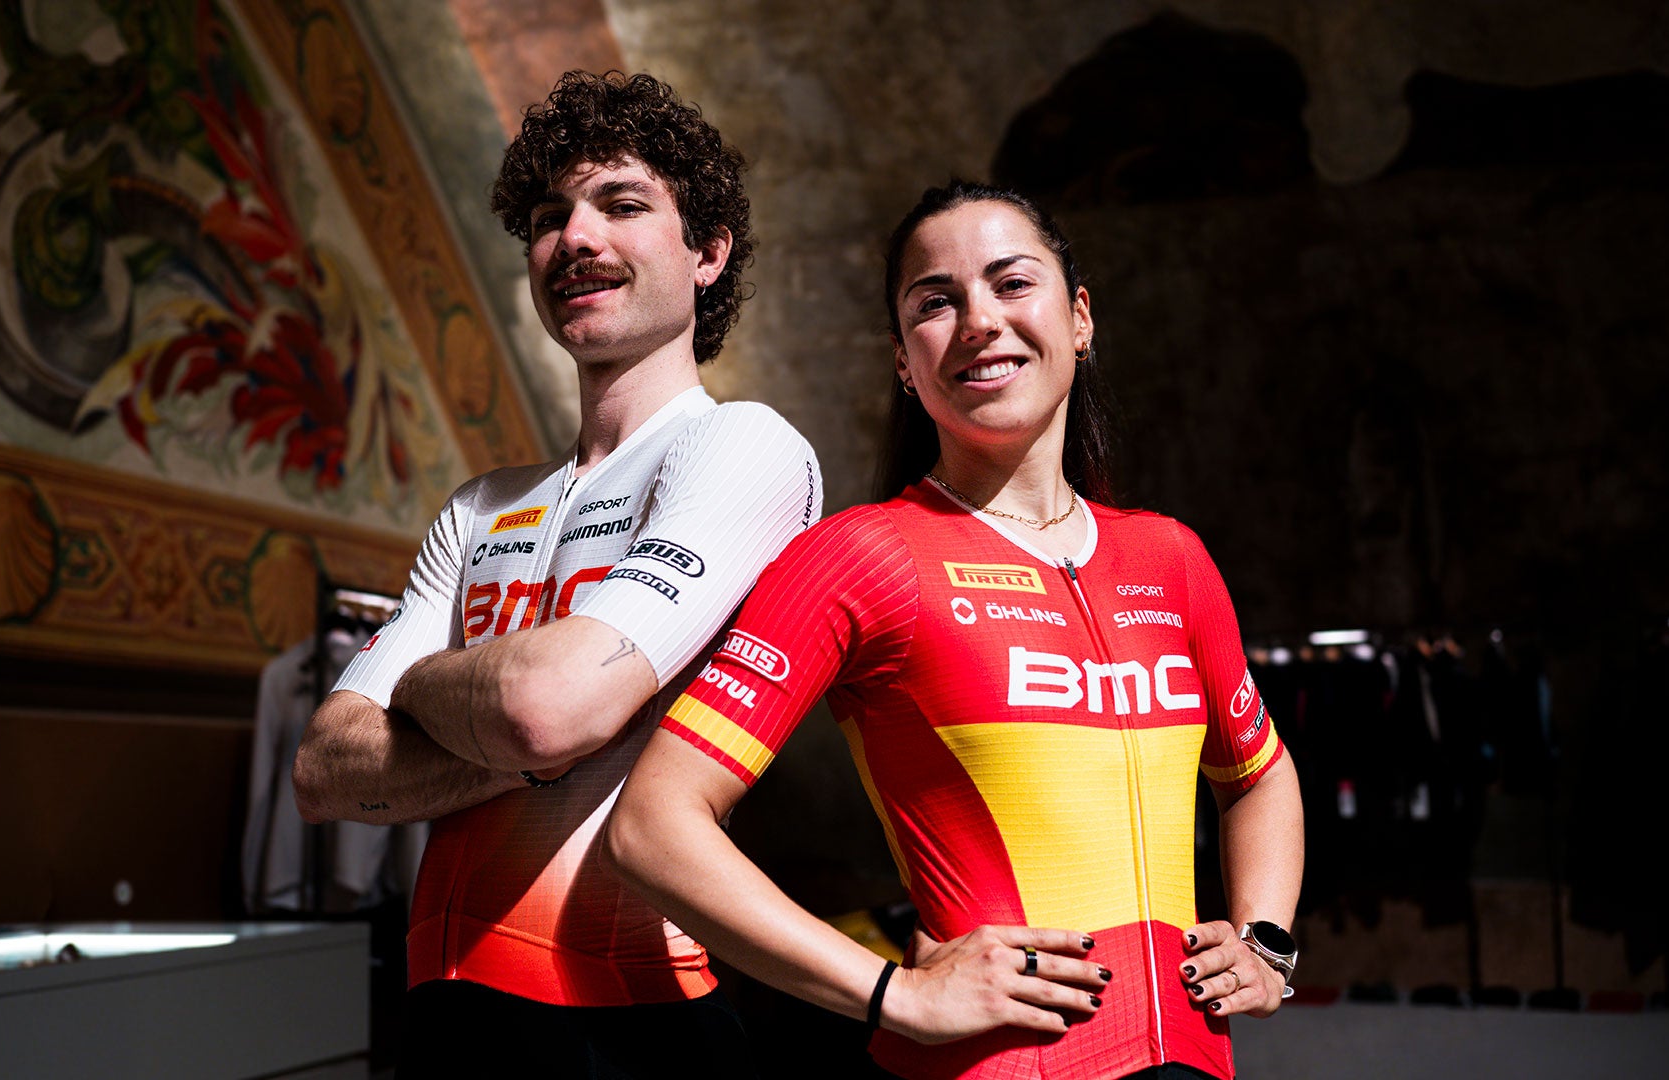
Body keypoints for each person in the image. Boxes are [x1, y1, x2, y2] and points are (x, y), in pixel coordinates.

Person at [606, 181, 1304, 1080]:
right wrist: (894, 994)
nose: (979, 321)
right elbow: (652, 825)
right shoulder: (858, 556)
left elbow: (1259, 775)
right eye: (936, 302)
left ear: (1079, 318)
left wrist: (1267, 943)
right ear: (904, 359)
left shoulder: (1171, 559)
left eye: (1012, 283)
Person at [292, 71, 819, 1077]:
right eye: (548, 217)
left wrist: (423, 688)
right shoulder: (479, 505)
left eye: (621, 204)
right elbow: (325, 769)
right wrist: (543, 728)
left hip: (630, 1013)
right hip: (447, 1017)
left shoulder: (739, 446)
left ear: (707, 254)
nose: (575, 237)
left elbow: (545, 708)